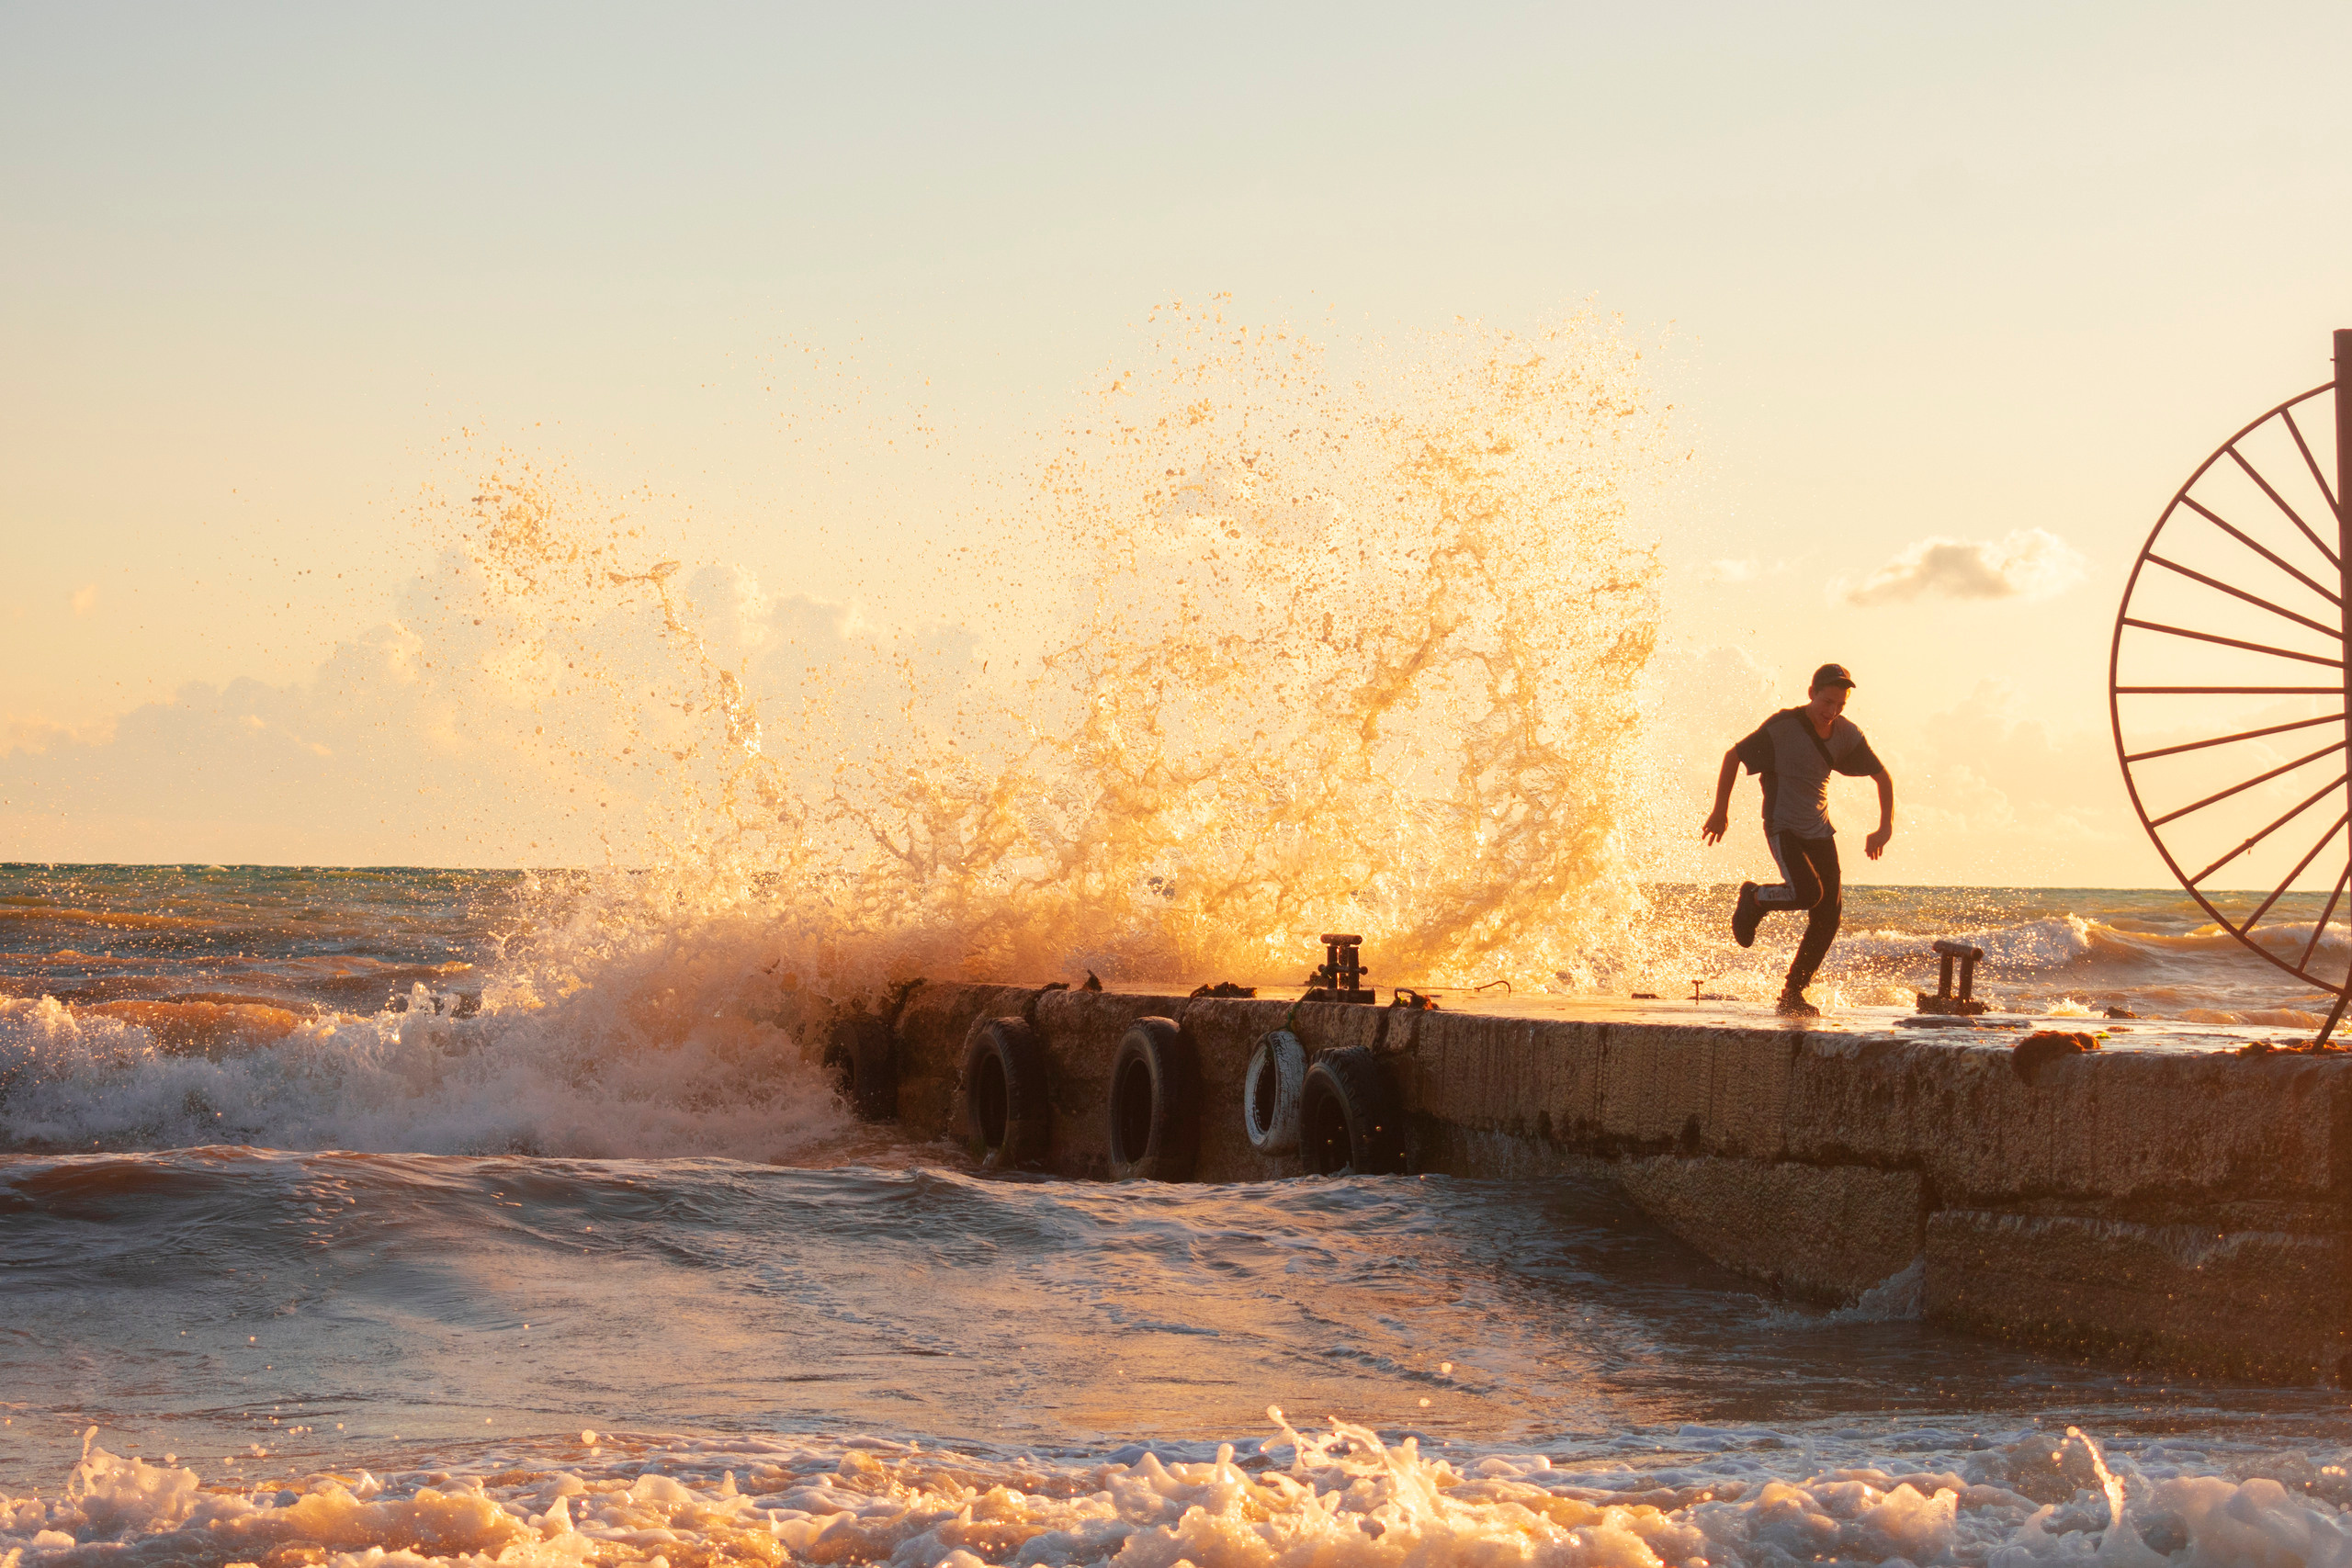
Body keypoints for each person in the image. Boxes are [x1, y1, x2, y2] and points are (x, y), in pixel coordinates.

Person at [1699, 663, 1894, 1017]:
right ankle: (1755, 897)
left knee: (1828, 916)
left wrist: (1884, 828)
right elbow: (1733, 756)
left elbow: (1883, 778)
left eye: (1840, 705)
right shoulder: (1783, 726)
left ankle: (1792, 993)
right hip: (1783, 826)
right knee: (1806, 893)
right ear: (1812, 693)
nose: (1831, 710)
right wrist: (1719, 811)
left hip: (1819, 831)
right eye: (1827, 700)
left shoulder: (1846, 734)